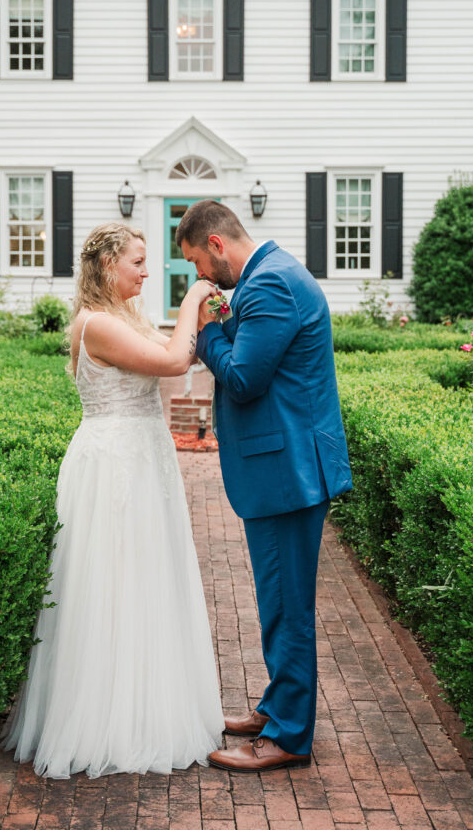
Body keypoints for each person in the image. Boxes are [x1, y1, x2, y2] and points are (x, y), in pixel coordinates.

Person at [1, 222, 224, 779]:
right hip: (114, 464)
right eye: (139, 263)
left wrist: (202, 329)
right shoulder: (97, 324)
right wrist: (196, 294)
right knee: (112, 582)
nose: (148, 272)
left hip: (143, 457)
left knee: (146, 579)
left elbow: (178, 356)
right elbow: (174, 364)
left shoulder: (126, 318)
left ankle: (146, 706)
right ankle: (106, 721)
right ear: (107, 267)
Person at [176, 200, 353, 773]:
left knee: (287, 607)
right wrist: (225, 327)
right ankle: (277, 709)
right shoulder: (272, 276)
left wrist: (207, 333)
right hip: (289, 467)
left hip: (289, 472)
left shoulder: (269, 285)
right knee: (280, 602)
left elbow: (245, 378)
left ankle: (289, 738)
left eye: (198, 263)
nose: (201, 276)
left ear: (218, 245)